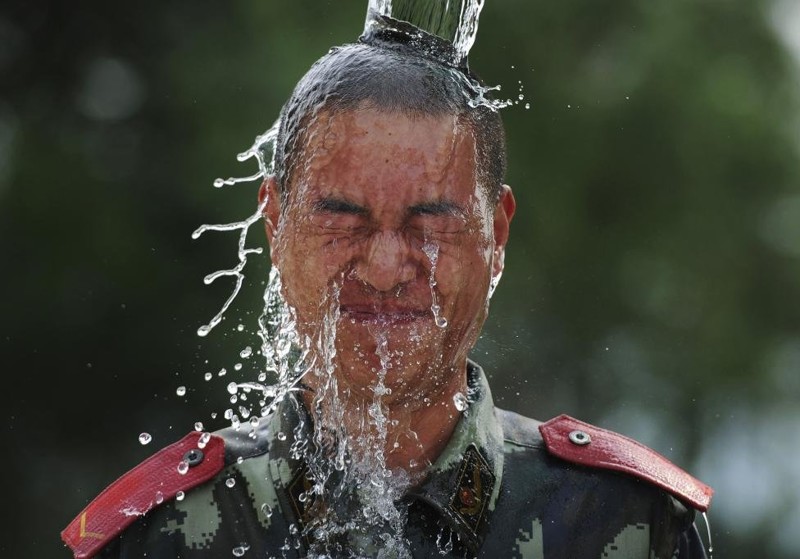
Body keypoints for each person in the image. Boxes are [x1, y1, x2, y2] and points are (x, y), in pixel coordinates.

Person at [62, 16, 713, 559]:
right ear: (276, 225)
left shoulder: (626, 526)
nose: (382, 267)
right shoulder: (157, 537)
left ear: (497, 235)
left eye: (430, 223)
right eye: (341, 219)